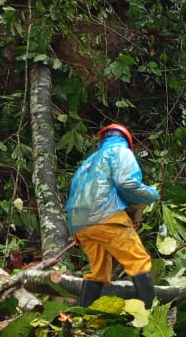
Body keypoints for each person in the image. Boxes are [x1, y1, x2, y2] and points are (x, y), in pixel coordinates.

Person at [65, 123, 161, 308]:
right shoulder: (120, 151)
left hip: (80, 224)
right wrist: (151, 194)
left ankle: (83, 320)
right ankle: (150, 317)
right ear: (127, 140)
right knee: (138, 261)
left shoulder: (88, 162)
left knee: (98, 271)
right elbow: (127, 183)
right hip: (106, 216)